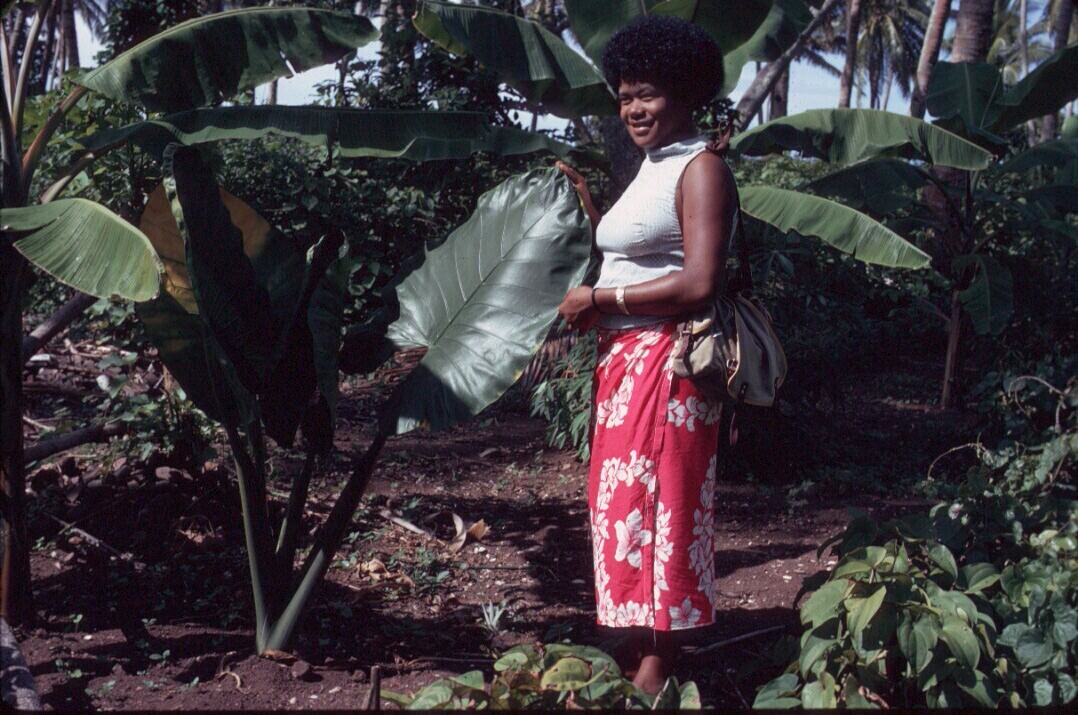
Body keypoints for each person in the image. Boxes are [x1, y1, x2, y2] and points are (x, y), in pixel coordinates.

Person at [556, 14, 737, 695]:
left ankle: (661, 660)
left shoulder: (701, 168)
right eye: (625, 95)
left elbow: (699, 281)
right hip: (627, 360)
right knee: (625, 501)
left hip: (669, 362)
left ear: (684, 93)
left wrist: (601, 299)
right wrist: (589, 215)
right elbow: (640, 253)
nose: (633, 108)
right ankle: (637, 637)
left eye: (649, 94)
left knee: (665, 502)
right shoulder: (653, 166)